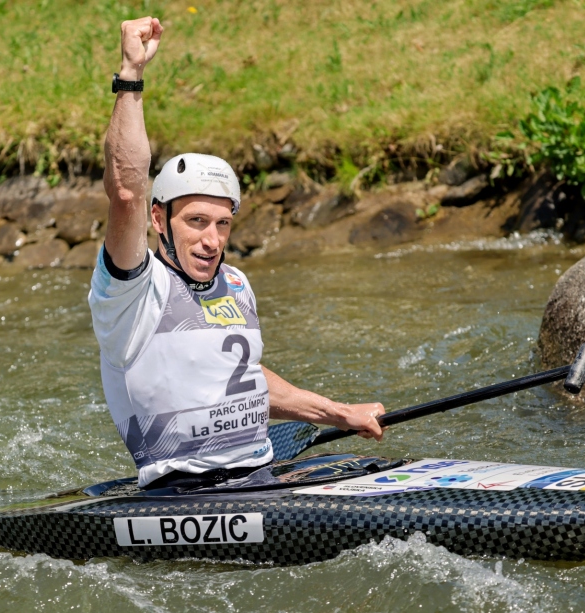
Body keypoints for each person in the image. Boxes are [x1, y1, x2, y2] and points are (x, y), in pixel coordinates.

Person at [89, 17, 386, 489]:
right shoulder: (132, 292)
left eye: (223, 223)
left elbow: (242, 375)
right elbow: (126, 191)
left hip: (261, 475)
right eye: (197, 222)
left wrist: (338, 412)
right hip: (184, 493)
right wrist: (130, 76)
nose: (212, 240)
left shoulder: (235, 284)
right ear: (159, 220)